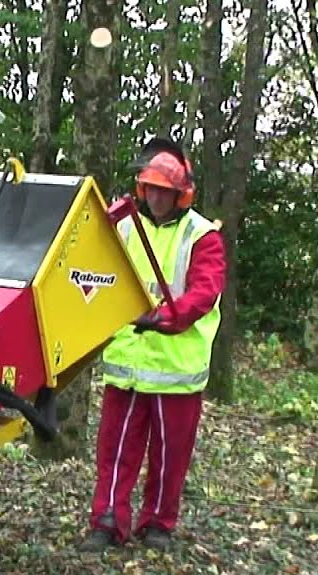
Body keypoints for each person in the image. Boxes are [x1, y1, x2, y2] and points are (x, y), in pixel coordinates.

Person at [80, 138, 227, 552]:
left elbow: (205, 291)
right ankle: (108, 520)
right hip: (127, 362)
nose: (158, 197)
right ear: (143, 189)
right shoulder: (123, 226)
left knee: (170, 456)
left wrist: (166, 318)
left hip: (176, 368)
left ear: (181, 194)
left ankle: (158, 523)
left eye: (166, 191)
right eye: (152, 189)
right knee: (115, 450)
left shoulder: (202, 235)